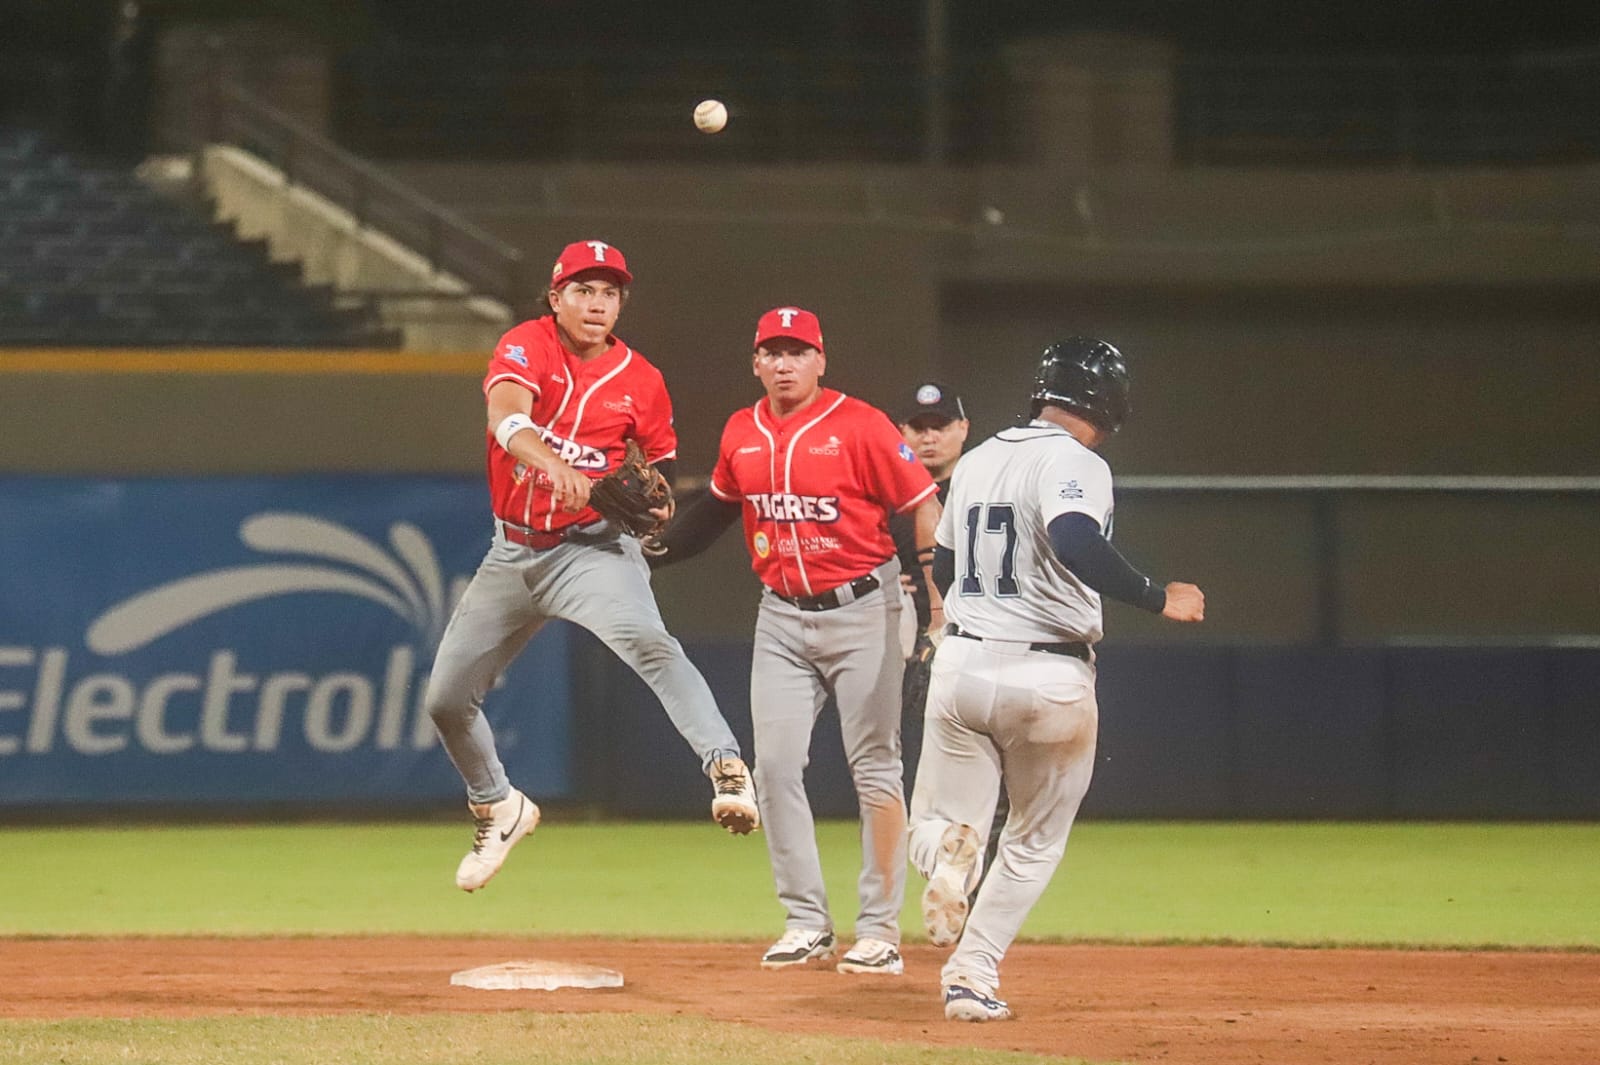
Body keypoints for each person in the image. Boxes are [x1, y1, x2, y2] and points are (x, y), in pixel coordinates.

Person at [423, 238, 758, 894]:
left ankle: (726, 766)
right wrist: (556, 466)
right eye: (582, 289)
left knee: (649, 643)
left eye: (608, 292)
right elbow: (505, 417)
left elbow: (658, 465)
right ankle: (499, 804)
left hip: (592, 550)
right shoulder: (528, 345)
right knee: (445, 700)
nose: (596, 302)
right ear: (556, 298)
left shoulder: (642, 379)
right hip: (515, 550)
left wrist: (655, 503)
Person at [908, 337, 1205, 1022]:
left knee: (935, 820)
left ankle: (948, 857)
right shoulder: (1076, 461)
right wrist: (1159, 596)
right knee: (1033, 840)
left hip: (965, 661)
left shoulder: (976, 459)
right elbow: (1073, 537)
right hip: (1049, 675)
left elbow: (947, 570)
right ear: (1108, 403)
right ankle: (971, 976)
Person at [652, 306, 943, 975]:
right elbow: (720, 509)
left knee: (875, 768)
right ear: (756, 362)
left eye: (797, 351)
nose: (784, 363)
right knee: (775, 767)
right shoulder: (741, 430)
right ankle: (807, 920)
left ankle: (879, 929)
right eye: (772, 352)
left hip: (864, 608)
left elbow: (923, 503)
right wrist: (652, 552)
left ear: (820, 360)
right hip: (781, 614)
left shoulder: (861, 425)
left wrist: (934, 601)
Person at [888, 382, 969, 797]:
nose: (930, 437)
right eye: (919, 427)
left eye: (940, 426)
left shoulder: (981, 493)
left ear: (963, 429)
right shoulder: (882, 496)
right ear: (901, 432)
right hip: (899, 647)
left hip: (971, 643)